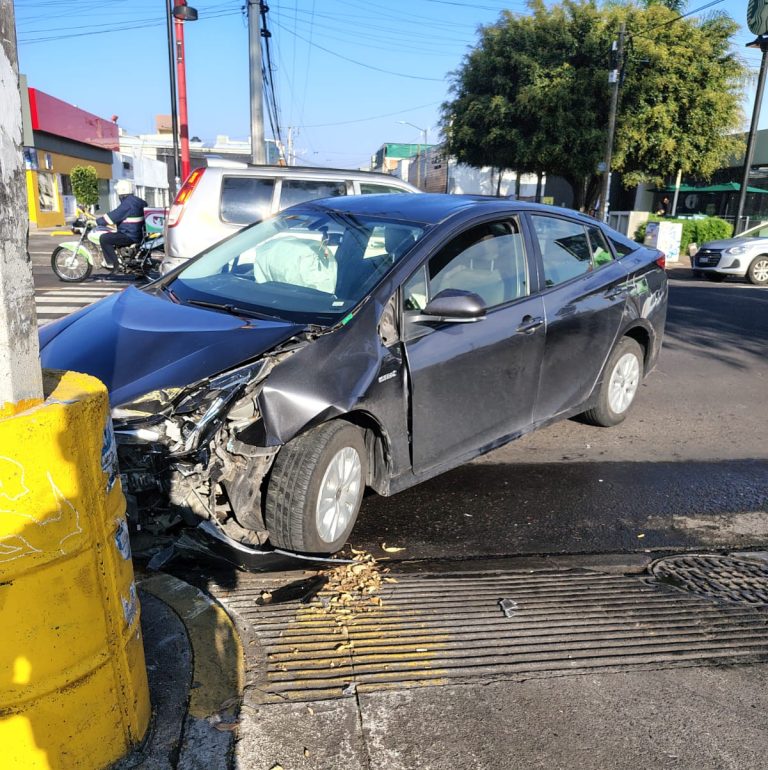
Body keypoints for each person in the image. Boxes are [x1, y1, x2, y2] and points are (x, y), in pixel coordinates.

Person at [95, 179, 147, 269]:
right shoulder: (138, 201)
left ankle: (112, 263)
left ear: (121, 191)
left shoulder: (127, 204)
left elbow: (114, 216)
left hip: (130, 235)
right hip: (139, 233)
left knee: (104, 238)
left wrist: (98, 221)